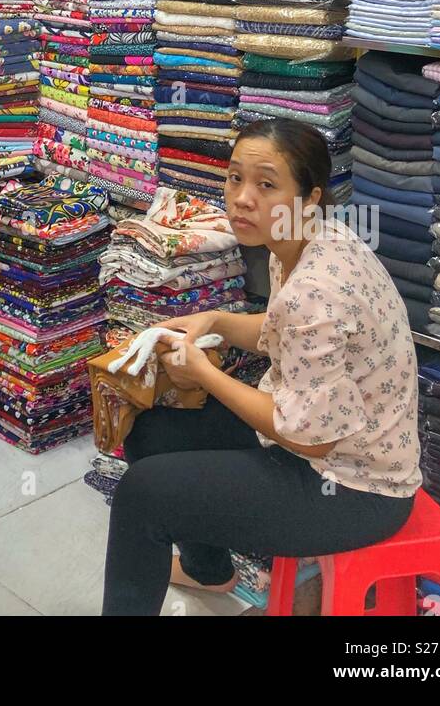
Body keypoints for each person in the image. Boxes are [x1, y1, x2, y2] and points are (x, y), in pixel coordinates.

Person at [102, 118, 421, 617]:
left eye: (266, 184)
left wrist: (206, 374)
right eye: (234, 178)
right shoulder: (301, 242)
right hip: (321, 447)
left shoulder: (317, 289)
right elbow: (280, 332)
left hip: (354, 487)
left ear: (308, 196)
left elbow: (309, 438)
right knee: (150, 433)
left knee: (143, 496)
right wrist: (218, 322)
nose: (242, 198)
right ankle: (211, 571)